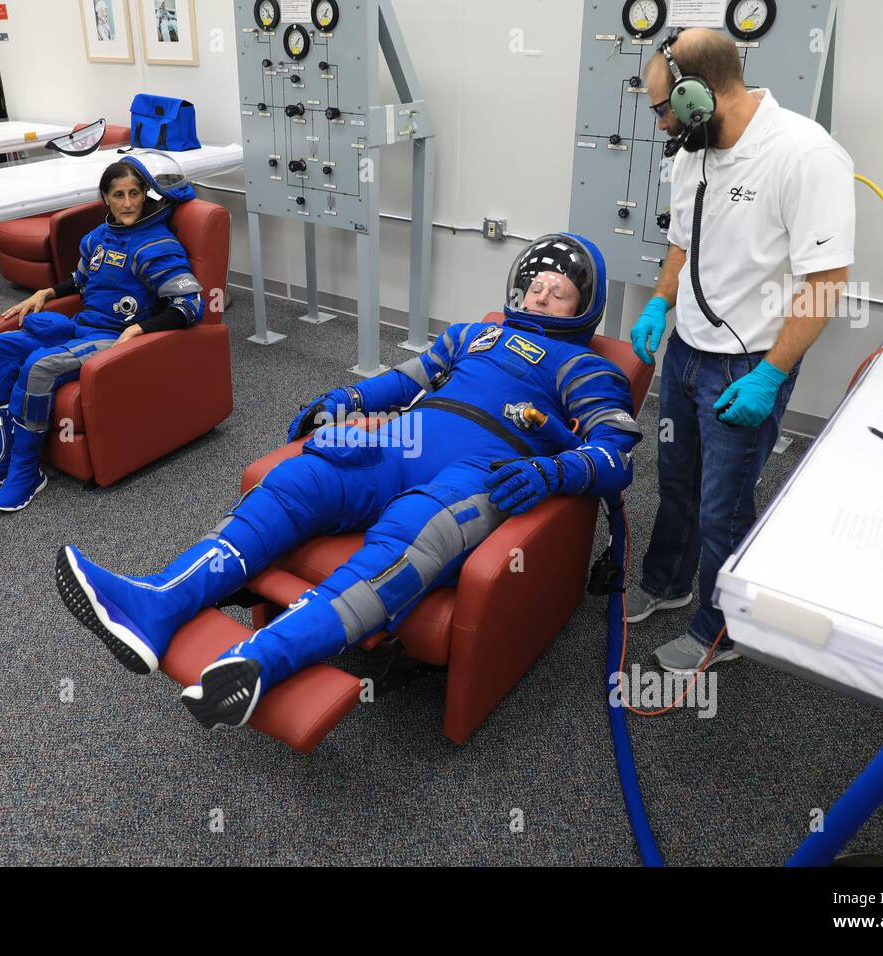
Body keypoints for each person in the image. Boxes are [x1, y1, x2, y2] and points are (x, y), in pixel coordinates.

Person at [55, 233, 643, 730]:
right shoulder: (472, 335)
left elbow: (617, 458)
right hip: (404, 440)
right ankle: (156, 602)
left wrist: (552, 470)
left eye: (558, 293)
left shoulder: (588, 368)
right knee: (302, 479)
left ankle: (261, 663)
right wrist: (344, 400)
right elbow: (401, 379)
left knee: (409, 538)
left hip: (483, 471)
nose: (541, 296)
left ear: (583, 308)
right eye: (535, 286)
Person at [629, 28, 854, 673]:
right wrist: (660, 302)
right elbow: (682, 241)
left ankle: (718, 629)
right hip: (686, 354)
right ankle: (668, 583)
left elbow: (825, 284)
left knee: (723, 503)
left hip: (747, 367)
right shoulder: (691, 152)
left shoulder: (806, 155)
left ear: (699, 93)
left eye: (662, 106)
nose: (659, 120)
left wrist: (770, 376)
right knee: (674, 483)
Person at [0, 155, 203, 511]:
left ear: (146, 194)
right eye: (118, 195)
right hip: (82, 328)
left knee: (40, 366)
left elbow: (190, 304)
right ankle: (3, 456)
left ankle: (26, 473)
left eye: (135, 193)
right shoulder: (96, 238)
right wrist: (47, 292)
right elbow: (83, 279)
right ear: (105, 197)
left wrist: (139, 328)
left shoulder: (156, 245)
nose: (128, 203)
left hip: (113, 339)